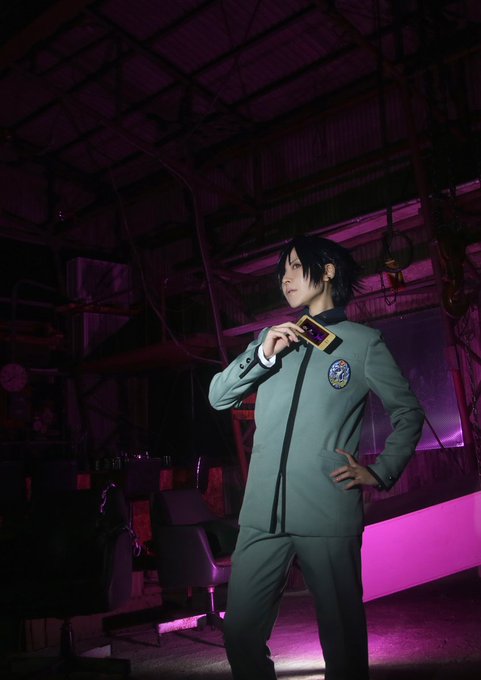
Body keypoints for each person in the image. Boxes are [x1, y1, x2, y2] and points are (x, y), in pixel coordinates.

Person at [209, 235, 424, 680]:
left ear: (327, 271)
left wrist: (381, 471)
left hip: (327, 510)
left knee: (342, 643)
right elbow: (218, 397)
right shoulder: (271, 341)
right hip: (262, 515)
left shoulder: (362, 344)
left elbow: (408, 412)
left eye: (295, 267)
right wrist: (264, 354)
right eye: (282, 271)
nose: (285, 279)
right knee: (240, 633)